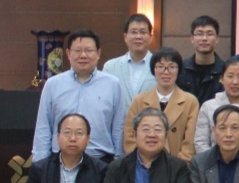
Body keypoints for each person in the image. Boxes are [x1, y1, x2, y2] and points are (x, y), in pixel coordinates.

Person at [32, 29, 124, 162]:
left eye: (88, 50)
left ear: (98, 53)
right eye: (77, 51)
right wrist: (40, 163)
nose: (83, 55)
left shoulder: (113, 84)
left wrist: (118, 162)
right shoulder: (53, 85)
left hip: (101, 161)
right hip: (60, 161)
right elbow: (43, 126)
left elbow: (118, 128)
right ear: (68, 53)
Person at [122, 47, 200, 161]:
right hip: (143, 164)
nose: (166, 72)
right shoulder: (139, 100)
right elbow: (130, 137)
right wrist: (142, 162)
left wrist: (178, 166)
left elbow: (190, 142)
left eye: (172, 67)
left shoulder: (190, 101)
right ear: (153, 70)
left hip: (177, 166)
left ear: (179, 70)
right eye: (160, 67)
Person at [103, 13, 155, 118]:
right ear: (125, 37)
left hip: (150, 125)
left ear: (150, 37)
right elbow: (105, 101)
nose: (138, 36)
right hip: (119, 126)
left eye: (143, 32)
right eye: (134, 32)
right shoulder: (110, 67)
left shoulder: (159, 66)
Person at [177, 15, 226, 104]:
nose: (204, 38)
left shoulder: (226, 70)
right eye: (199, 34)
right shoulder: (180, 69)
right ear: (192, 38)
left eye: (209, 34)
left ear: (217, 39)